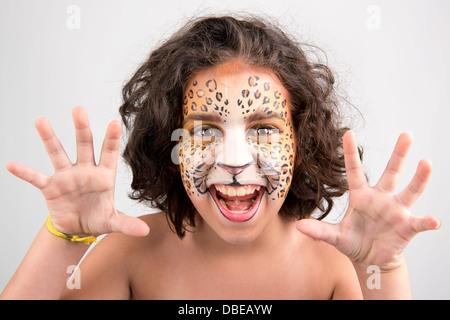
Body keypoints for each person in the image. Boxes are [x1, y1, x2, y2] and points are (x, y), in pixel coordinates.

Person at [1, 15, 441, 300]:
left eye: (264, 129)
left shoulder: (331, 268)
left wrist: (384, 270)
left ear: (302, 143)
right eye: (206, 130)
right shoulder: (128, 256)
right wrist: (63, 237)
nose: (234, 160)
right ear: (170, 148)